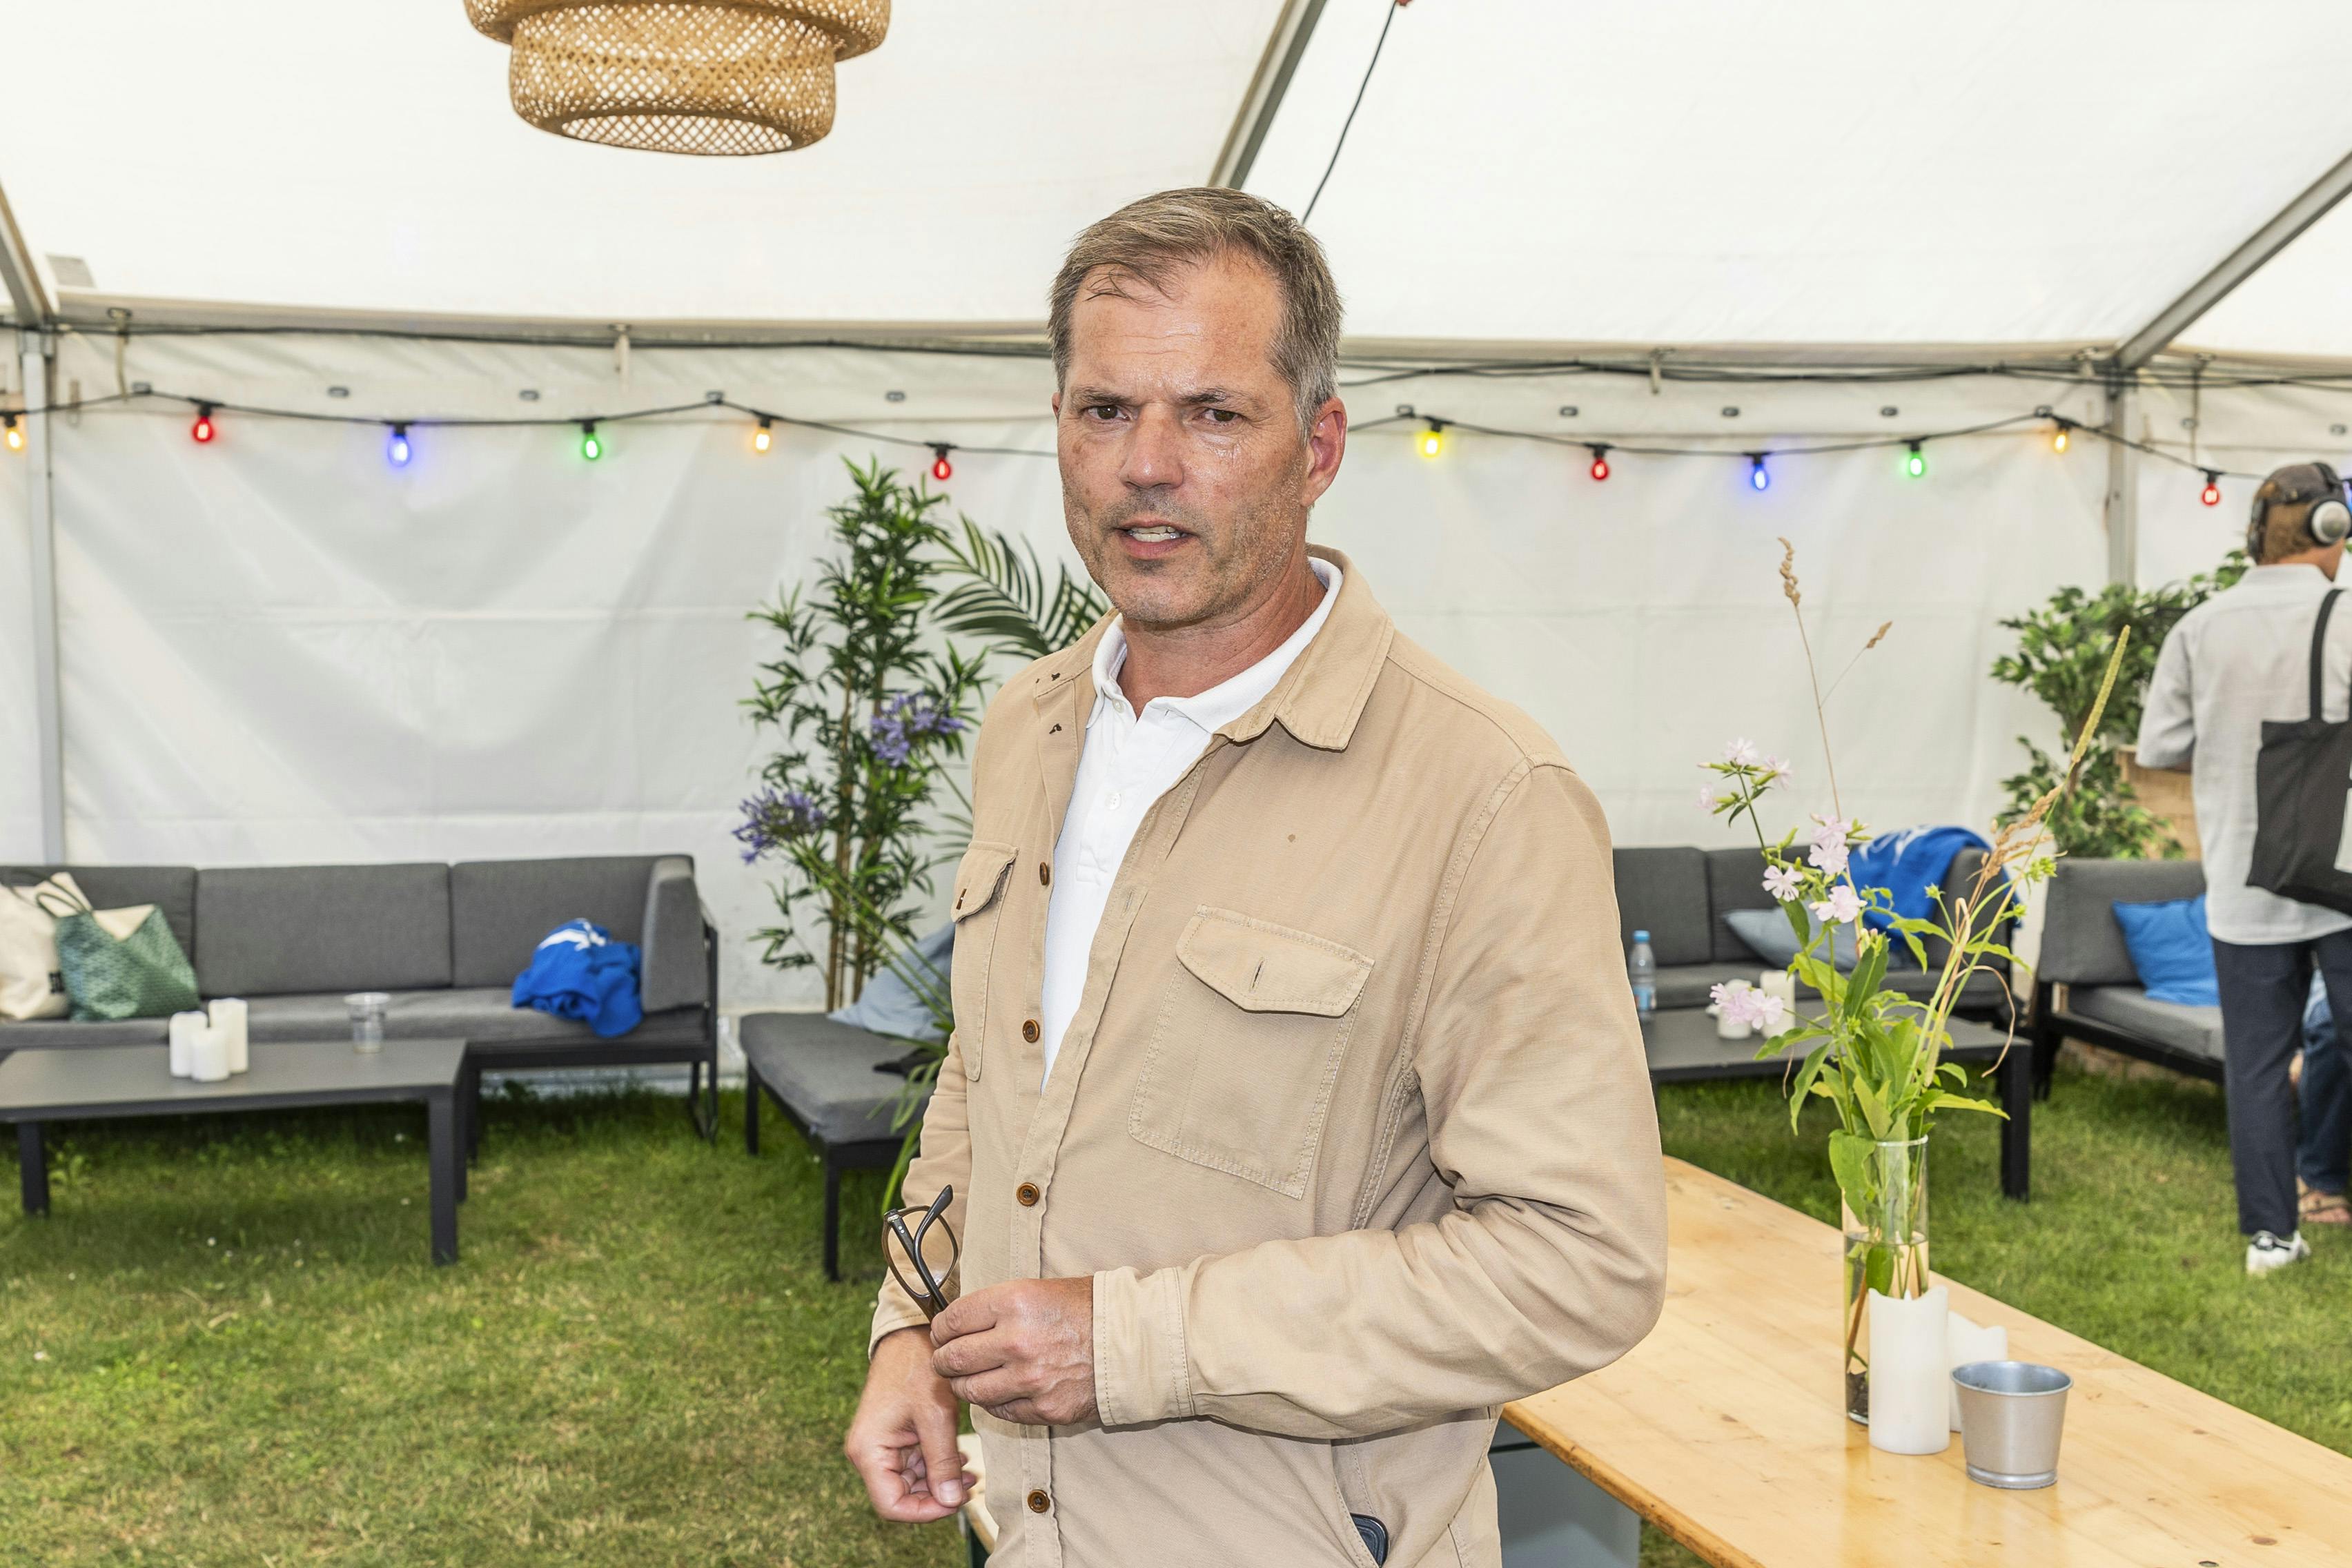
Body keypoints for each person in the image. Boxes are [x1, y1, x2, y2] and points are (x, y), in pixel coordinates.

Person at [843, 188, 1667, 1565]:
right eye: (1105, 410)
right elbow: (989, 1078)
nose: (1145, 465)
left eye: (1213, 414)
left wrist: (1132, 1342)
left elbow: (1582, 1261)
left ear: (1318, 444)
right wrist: (913, 1332)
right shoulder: (1027, 726)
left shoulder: (1483, 797)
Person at [2138, 461, 2352, 1273]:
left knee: (2258, 1065)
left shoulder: (2201, 626)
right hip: (2343, 875)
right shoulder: (2347, 614)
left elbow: (2160, 747)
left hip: (2242, 877)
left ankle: (2272, 1238)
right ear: (2330, 529)